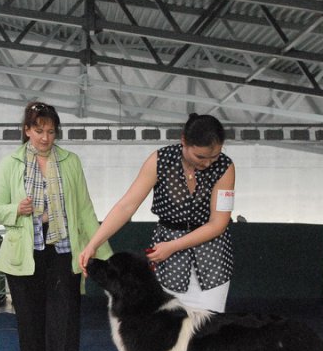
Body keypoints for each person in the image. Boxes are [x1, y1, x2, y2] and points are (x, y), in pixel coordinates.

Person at [0, 101, 113, 351]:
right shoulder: (10, 163)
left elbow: (84, 209)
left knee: (65, 329)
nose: (45, 137)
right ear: (27, 130)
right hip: (24, 258)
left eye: (51, 131)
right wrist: (17, 209)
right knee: (30, 330)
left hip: (63, 254)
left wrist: (103, 255)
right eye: (39, 130)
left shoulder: (71, 162)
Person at [79, 113, 235, 313]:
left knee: (208, 335)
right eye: (200, 157)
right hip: (166, 263)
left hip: (212, 264)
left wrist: (173, 246)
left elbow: (218, 224)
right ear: (183, 142)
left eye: (214, 156)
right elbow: (126, 206)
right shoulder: (160, 160)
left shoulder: (225, 166)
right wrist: (93, 244)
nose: (208, 163)